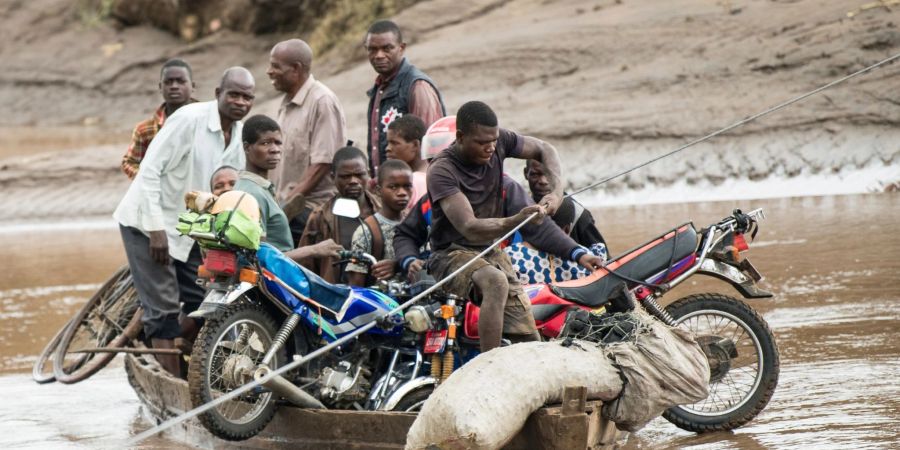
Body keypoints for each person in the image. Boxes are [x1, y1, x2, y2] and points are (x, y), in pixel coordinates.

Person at [426, 101, 604, 352]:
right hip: (451, 254)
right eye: (481, 142)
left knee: (530, 340)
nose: (490, 148)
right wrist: (516, 221)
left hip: (489, 252)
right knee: (495, 282)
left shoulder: (500, 144)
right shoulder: (442, 170)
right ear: (460, 137)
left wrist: (557, 195)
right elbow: (469, 227)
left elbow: (545, 149)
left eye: (493, 140)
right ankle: (491, 362)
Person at [113, 67, 255, 376]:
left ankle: (200, 366)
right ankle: (174, 381)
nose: (240, 102)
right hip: (146, 223)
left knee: (208, 298)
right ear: (218, 93)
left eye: (247, 97)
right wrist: (155, 229)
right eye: (233, 94)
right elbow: (148, 171)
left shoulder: (240, 135)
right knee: (163, 307)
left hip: (189, 229)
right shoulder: (188, 120)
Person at [394, 175, 599, 284]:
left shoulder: (506, 189)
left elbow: (540, 228)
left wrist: (578, 254)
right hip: (446, 278)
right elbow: (405, 234)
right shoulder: (431, 199)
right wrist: (409, 260)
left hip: (503, 275)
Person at [266, 39, 348, 246]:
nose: (269, 71)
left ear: (296, 69)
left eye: (275, 66)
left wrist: (285, 208)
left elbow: (322, 164)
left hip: (309, 213)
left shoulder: (322, 102)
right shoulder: (286, 103)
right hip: (287, 210)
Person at [230, 115, 344, 260]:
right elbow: (258, 258)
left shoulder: (257, 186)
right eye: (265, 143)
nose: (274, 149)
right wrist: (314, 250)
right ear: (247, 147)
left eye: (278, 143)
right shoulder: (253, 194)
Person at [364, 19, 445, 176]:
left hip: (411, 188)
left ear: (401, 48)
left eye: (387, 48)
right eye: (372, 49)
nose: (379, 55)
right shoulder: (379, 88)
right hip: (389, 188)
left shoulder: (417, 86)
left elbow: (430, 149)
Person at [298, 146, 381, 283]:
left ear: (368, 173)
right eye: (345, 176)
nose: (353, 181)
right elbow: (305, 265)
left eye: (359, 175)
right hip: (335, 295)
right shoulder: (320, 217)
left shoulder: (382, 211)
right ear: (333, 177)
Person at [122, 59, 197, 179]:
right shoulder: (145, 130)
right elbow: (130, 162)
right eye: (168, 82)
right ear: (160, 87)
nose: (174, 86)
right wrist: (147, 178)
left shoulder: (208, 121)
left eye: (181, 81)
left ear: (192, 86)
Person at [346, 160, 412, 287]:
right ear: (378, 190)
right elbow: (356, 286)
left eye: (407, 186)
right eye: (393, 187)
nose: (402, 193)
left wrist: (397, 265)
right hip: (381, 302)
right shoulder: (366, 231)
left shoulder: (416, 222)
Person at [524, 159, 607, 249]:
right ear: (525, 173)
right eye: (535, 174)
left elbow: (602, 257)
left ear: (558, 175)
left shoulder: (578, 215)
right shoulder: (517, 208)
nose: (543, 181)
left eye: (549, 174)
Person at [385, 114, 427, 212]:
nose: (388, 148)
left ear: (415, 145)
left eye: (394, 143)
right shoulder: (434, 173)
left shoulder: (412, 182)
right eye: (388, 143)